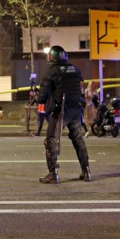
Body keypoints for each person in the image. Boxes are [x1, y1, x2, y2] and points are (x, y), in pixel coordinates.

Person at [37, 45, 92, 184]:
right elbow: (79, 88)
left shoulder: (52, 71)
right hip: (76, 110)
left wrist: (39, 98)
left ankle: (53, 174)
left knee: (51, 141)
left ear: (52, 57)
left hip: (61, 111)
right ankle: (86, 171)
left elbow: (42, 95)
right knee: (78, 140)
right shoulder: (75, 69)